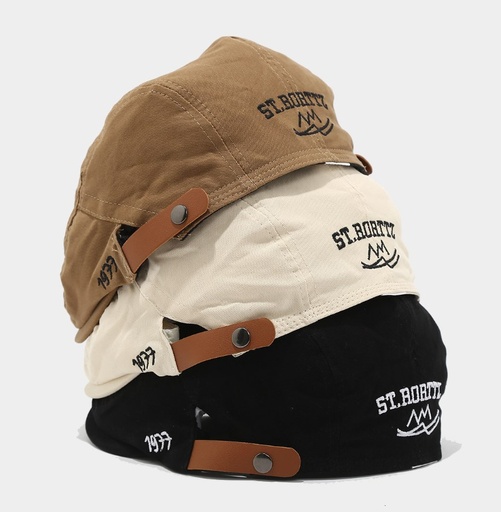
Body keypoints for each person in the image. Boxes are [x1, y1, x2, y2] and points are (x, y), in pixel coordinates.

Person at [61, 36, 447, 479]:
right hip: (400, 374)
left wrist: (90, 303)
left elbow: (87, 288)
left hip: (290, 396)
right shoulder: (359, 196)